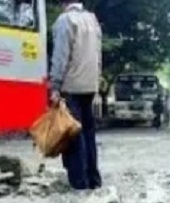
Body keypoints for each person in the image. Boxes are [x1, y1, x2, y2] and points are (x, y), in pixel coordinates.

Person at [49, 0, 102, 191]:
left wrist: (55, 86)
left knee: (73, 135)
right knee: (88, 132)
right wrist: (96, 82)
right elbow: (98, 55)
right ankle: (93, 179)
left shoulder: (65, 20)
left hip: (71, 85)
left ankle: (79, 182)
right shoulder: (92, 19)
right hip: (90, 84)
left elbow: (60, 56)